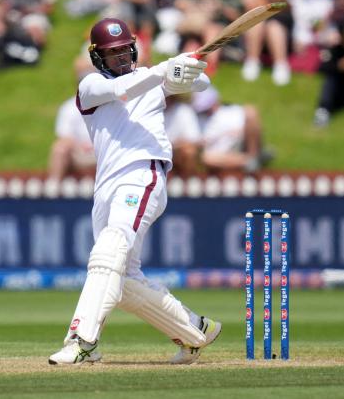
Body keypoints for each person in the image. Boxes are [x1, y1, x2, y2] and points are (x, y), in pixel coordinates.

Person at [48, 18, 221, 366]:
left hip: (143, 174)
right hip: (106, 188)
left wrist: (184, 72)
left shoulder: (154, 81)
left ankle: (83, 341)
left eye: (125, 51)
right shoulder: (90, 86)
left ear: (134, 48)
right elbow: (122, 89)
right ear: (98, 58)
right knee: (122, 280)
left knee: (109, 251)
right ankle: (196, 329)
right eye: (112, 54)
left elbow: (201, 83)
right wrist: (163, 70)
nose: (121, 59)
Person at [192, 85, 270, 174]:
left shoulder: (232, 110)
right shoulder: (198, 121)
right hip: (220, 153)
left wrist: (238, 132)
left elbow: (251, 125)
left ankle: (253, 157)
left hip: (241, 143)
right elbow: (198, 145)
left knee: (251, 111)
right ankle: (251, 161)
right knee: (205, 158)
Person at [240, 0, 293, 85]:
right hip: (260, 15)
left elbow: (286, 4)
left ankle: (281, 65)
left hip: (281, 19)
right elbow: (247, 1)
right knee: (256, 24)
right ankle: (252, 61)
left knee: (274, 27)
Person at [47, 95, 96, 181]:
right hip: (78, 153)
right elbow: (65, 137)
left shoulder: (110, 105)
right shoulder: (69, 107)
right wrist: (80, 148)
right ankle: (53, 187)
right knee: (59, 149)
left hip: (104, 153)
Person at [164, 94, 201, 177]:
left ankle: (186, 178)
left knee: (189, 151)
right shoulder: (155, 112)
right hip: (158, 150)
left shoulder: (184, 111)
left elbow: (193, 139)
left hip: (175, 151)